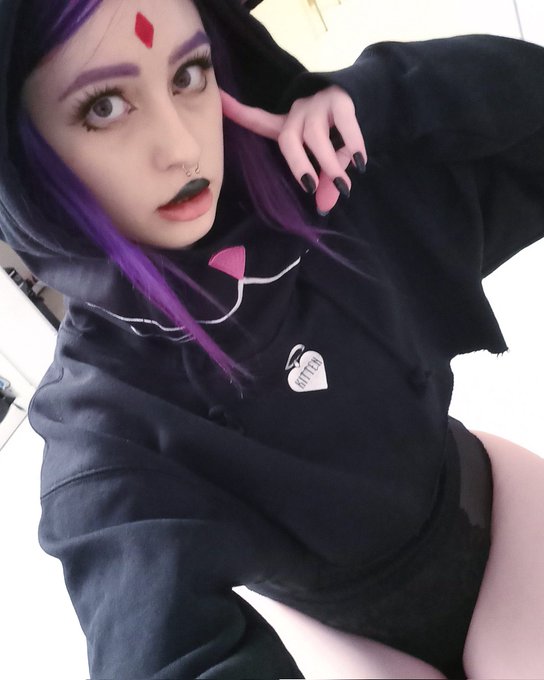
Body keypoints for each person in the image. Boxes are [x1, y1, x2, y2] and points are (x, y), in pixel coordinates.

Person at [0, 0, 543, 678]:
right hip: (343, 634)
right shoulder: (100, 421)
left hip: (495, 505)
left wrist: (380, 100)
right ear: (20, 152)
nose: (182, 146)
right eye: (104, 107)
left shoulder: (331, 200)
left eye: (189, 74)